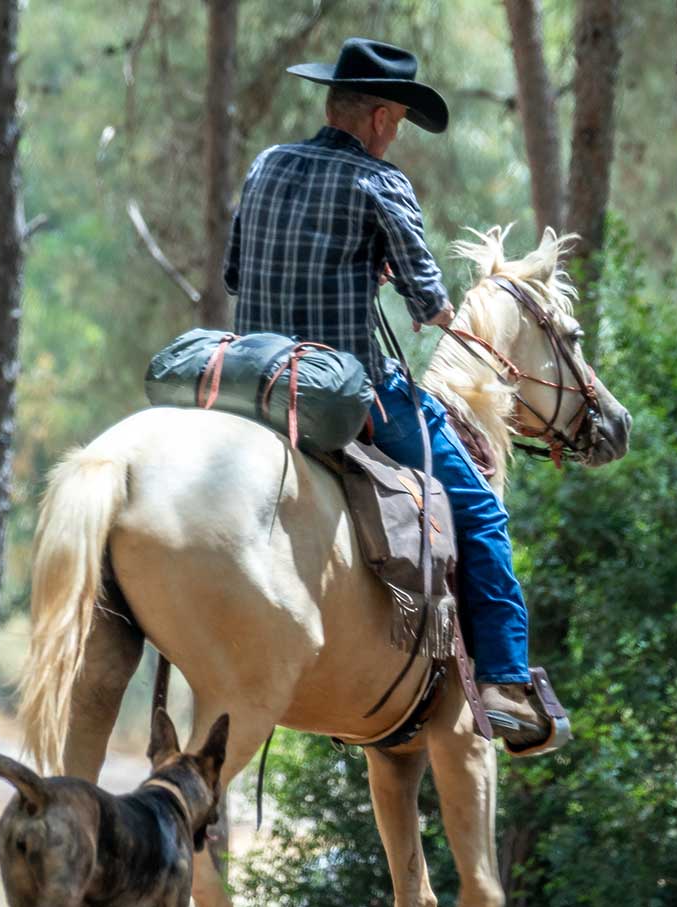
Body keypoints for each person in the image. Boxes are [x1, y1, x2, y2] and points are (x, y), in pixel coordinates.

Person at [223, 37, 545, 742]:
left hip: (251, 377)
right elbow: (432, 304)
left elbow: (235, 272)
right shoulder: (380, 182)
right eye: (396, 121)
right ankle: (505, 684)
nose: (394, 134)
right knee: (481, 515)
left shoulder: (265, 165)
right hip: (343, 388)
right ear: (376, 119)